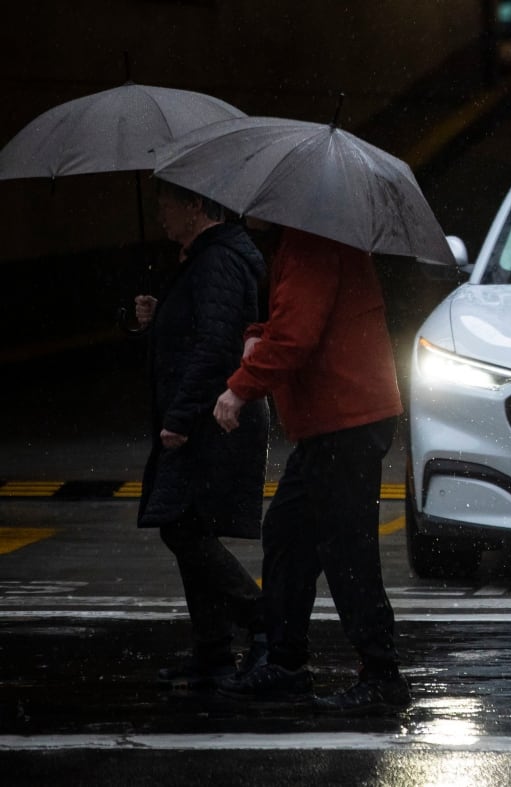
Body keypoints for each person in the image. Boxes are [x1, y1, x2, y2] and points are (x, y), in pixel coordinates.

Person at [211, 226, 408, 713]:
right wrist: (258, 336)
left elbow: (297, 336)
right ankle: (285, 663)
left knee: (346, 548)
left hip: (344, 416)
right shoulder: (307, 241)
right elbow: (294, 323)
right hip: (334, 418)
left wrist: (240, 388)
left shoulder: (311, 243)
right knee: (289, 534)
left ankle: (382, 675)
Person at [135, 180, 269, 690]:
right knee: (189, 523)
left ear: (194, 205)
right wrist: (155, 318)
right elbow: (196, 332)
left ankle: (261, 620)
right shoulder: (204, 258)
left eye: (166, 203)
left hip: (211, 418)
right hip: (205, 413)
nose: (160, 213)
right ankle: (213, 651)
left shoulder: (216, 261)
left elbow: (214, 347)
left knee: (182, 526)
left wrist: (181, 416)